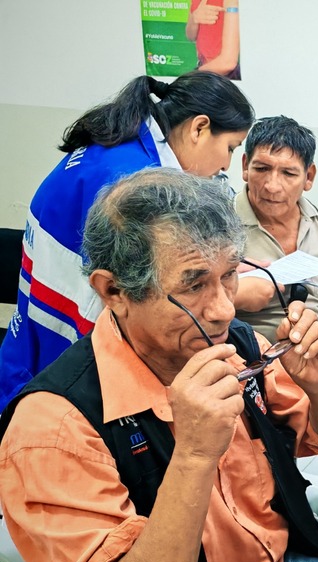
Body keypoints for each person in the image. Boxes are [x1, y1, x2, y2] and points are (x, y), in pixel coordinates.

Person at [0, 168, 318, 562]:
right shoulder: (54, 430)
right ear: (113, 292)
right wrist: (193, 456)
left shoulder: (235, 345)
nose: (221, 309)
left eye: (230, 275)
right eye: (193, 285)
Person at [0, 70, 254, 413]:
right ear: (199, 128)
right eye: (230, 148)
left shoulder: (117, 147)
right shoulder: (137, 186)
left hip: (32, 343)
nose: (226, 164)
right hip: (66, 372)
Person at [233, 115, 318, 385]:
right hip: (253, 378)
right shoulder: (219, 226)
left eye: (288, 173)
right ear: (246, 166)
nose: (272, 186)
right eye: (261, 169)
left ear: (309, 177)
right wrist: (235, 293)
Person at [185, 0, 241, 79]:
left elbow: (227, 63)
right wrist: (194, 18)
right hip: (204, 67)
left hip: (225, 76)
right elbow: (190, 36)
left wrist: (194, 77)